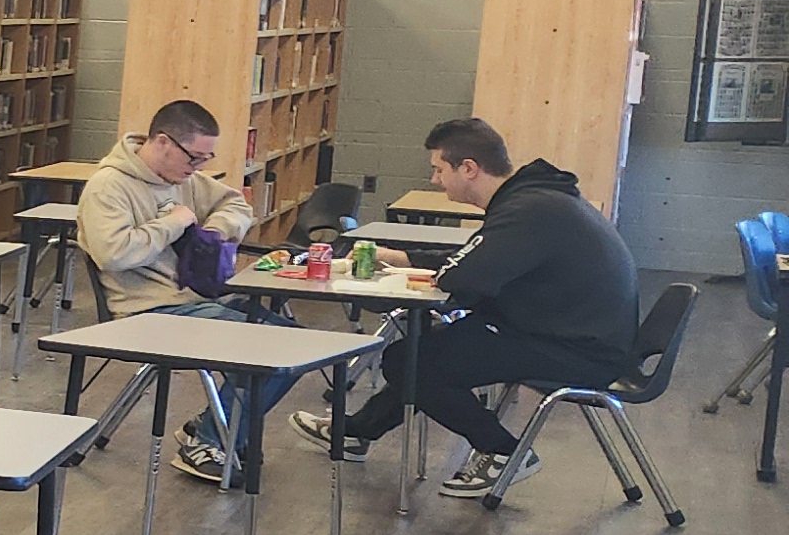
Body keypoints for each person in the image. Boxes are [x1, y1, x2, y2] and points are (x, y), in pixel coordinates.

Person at [292, 117, 641, 498]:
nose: (435, 180)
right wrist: (403, 258)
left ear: (469, 168)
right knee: (421, 354)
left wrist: (437, 273)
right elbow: (476, 258)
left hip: (581, 352)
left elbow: (465, 278)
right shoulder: (532, 200)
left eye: (439, 169)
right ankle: (357, 433)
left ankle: (504, 452)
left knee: (411, 361)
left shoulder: (528, 210)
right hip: (570, 333)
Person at [76, 99, 295, 485]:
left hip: (195, 301)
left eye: (205, 159)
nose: (198, 168)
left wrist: (215, 229)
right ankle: (209, 440)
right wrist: (173, 224)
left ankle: (213, 428)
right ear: (162, 142)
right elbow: (112, 254)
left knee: (293, 344)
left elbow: (235, 203)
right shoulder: (108, 187)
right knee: (266, 350)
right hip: (148, 311)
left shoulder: (185, 179)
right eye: (194, 157)